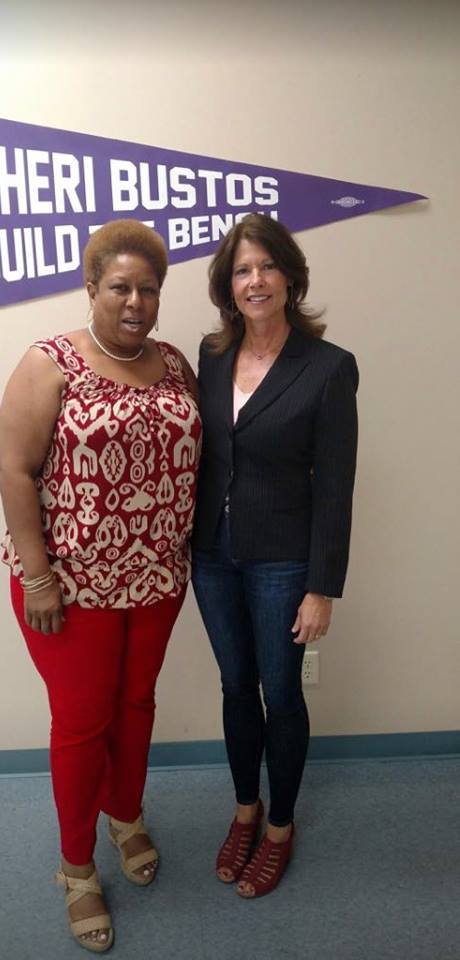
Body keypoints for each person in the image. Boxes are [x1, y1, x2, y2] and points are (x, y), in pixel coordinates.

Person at [0, 219, 201, 952]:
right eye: (120, 287)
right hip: (70, 588)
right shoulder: (49, 363)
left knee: (136, 704)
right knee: (82, 725)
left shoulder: (175, 364)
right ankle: (77, 865)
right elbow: (15, 469)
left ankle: (126, 813)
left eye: (149, 288)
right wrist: (38, 576)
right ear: (91, 288)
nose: (136, 301)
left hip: (157, 580)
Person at [191, 213, 358, 899]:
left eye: (266, 266)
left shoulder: (328, 368)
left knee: (280, 694)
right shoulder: (211, 355)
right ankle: (245, 812)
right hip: (211, 554)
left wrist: (323, 586)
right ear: (227, 286)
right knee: (235, 687)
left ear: (290, 277)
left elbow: (336, 486)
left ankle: (280, 827)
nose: (255, 280)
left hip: (283, 562)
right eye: (241, 270)